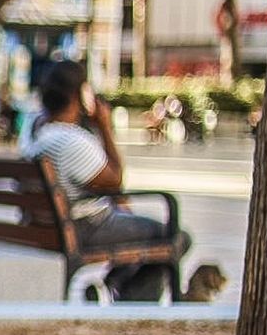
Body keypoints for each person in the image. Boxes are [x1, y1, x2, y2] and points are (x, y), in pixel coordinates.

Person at [20, 60, 191, 301]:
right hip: (85, 226)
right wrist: (105, 126)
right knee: (176, 236)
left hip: (53, 225)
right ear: (81, 94)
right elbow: (115, 179)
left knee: (140, 228)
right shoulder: (71, 141)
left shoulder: (36, 131)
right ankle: (124, 296)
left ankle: (112, 287)